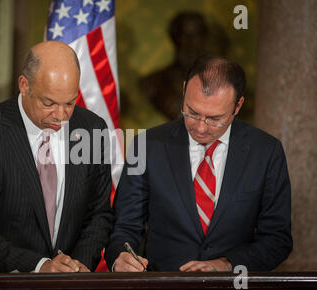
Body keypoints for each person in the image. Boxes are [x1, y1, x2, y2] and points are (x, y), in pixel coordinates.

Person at [105, 55, 292, 272]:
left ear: (237, 106)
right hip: (163, 289)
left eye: (214, 118)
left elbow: (278, 239)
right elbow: (124, 226)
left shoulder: (266, 152)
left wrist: (227, 264)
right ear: (184, 90)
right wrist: (121, 256)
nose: (201, 128)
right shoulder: (146, 146)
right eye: (192, 113)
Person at [0, 41, 114, 273]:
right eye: (49, 103)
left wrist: (78, 265)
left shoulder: (93, 129)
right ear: (24, 85)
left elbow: (98, 213)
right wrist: (39, 267)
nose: (61, 116)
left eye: (70, 103)